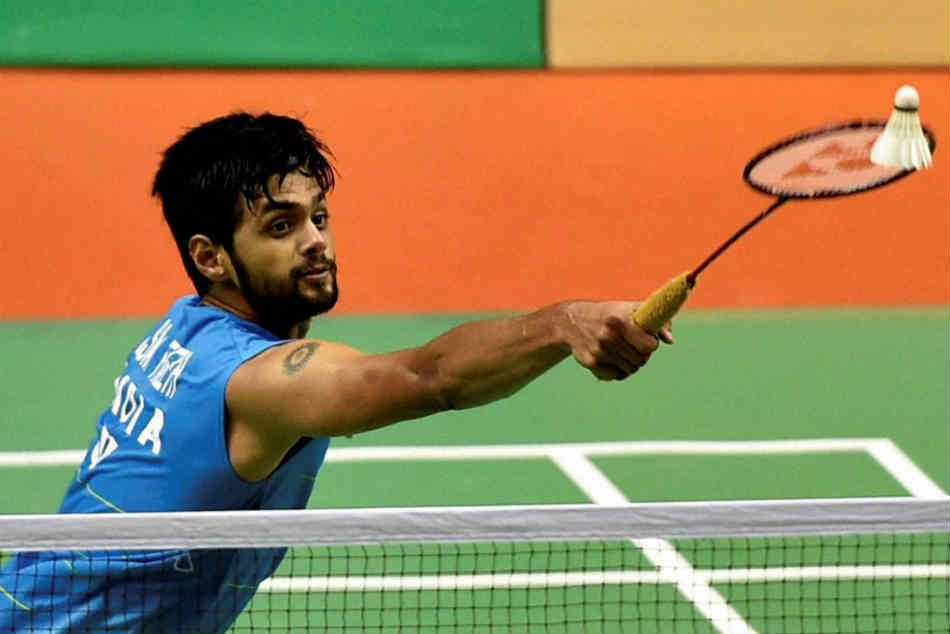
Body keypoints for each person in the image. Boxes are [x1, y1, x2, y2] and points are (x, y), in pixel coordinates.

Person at [0, 112, 673, 633]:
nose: (316, 240)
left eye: (317, 217)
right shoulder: (256, 382)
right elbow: (430, 377)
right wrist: (561, 323)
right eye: (280, 226)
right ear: (210, 258)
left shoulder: (188, 326)